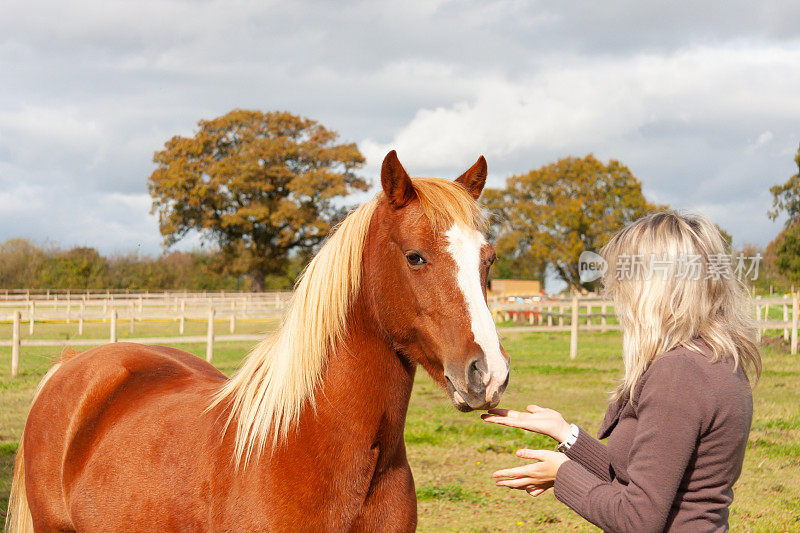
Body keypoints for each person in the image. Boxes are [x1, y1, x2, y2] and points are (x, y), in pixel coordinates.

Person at [482, 212, 761, 532]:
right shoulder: (715, 361)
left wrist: (562, 474)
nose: (615, 293)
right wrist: (566, 435)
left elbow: (638, 519)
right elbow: (645, 480)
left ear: (654, 288)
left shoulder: (679, 375)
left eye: (624, 280)